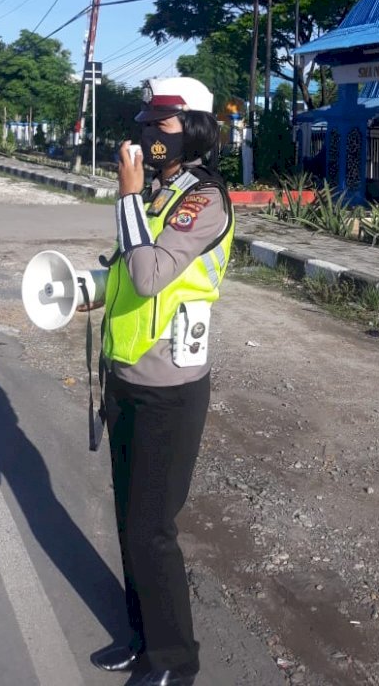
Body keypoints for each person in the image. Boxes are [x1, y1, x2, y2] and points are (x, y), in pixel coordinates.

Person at [92, 77, 235, 686]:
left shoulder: (204, 201)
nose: (150, 134)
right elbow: (128, 274)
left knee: (153, 529)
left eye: (164, 125)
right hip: (127, 371)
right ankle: (140, 636)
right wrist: (86, 291)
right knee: (129, 520)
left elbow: (151, 276)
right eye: (146, 122)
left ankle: (176, 660)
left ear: (195, 130)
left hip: (170, 389)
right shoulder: (158, 192)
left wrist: (126, 197)